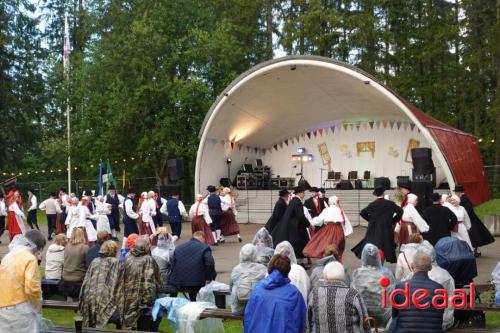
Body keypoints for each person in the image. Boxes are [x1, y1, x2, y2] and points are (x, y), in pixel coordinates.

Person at [244, 254, 306, 333]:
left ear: (269, 268)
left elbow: (248, 318)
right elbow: (301, 320)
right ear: (288, 270)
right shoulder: (294, 293)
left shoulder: (258, 289)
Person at [0, 230, 46, 333]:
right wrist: (37, 307)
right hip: (21, 309)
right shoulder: (30, 258)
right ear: (38, 247)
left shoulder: (8, 256)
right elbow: (32, 288)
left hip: (3, 308)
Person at [389, 251, 444, 333]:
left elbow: (394, 315)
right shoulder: (439, 290)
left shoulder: (400, 288)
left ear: (412, 266)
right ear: (430, 267)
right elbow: (439, 316)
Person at [309, 261, 370, 333]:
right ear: (343, 275)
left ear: (325, 275)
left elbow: (308, 318)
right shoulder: (353, 294)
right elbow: (365, 320)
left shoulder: (315, 293)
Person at [79, 240, 124, 328]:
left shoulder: (95, 261)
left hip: (89, 300)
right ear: (114, 250)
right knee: (122, 315)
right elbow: (121, 286)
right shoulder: (117, 263)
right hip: (107, 303)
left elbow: (86, 281)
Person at [352, 187, 403, 263]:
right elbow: (401, 211)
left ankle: (374, 264)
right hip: (386, 229)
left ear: (376, 195)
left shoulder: (372, 204)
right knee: (385, 247)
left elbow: (362, 212)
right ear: (383, 194)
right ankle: (380, 265)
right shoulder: (390, 204)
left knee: (373, 247)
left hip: (374, 229)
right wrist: (392, 221)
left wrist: (370, 220)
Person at [351, 243, 394, 329]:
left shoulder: (357, 274)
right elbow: (392, 296)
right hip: (383, 317)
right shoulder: (386, 275)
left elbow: (352, 294)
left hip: (362, 316)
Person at [122, 236, 161, 330]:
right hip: (142, 300)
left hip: (127, 297)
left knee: (131, 324)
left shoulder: (128, 256)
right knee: (145, 324)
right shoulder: (148, 259)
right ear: (147, 246)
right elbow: (154, 280)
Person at [169, 231, 217, 301]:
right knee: (194, 292)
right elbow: (210, 263)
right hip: (197, 282)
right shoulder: (205, 247)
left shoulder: (179, 247)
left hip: (179, 282)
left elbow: (173, 263)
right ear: (202, 237)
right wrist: (209, 278)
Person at [418, 241, 455, 330]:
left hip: (418, 323)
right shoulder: (445, 275)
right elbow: (450, 301)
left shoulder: (412, 276)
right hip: (441, 321)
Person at [304, 195, 353, 260]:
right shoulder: (340, 210)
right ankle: (337, 262)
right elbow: (345, 221)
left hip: (328, 229)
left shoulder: (327, 210)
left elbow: (319, 219)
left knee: (325, 245)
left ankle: (328, 261)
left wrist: (311, 222)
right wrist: (346, 233)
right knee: (337, 246)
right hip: (339, 230)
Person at [271, 186, 311, 261]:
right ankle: (299, 262)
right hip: (296, 227)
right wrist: (308, 224)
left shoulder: (293, 201)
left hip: (292, 226)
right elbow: (301, 216)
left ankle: (298, 260)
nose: (304, 195)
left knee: (296, 243)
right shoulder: (297, 202)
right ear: (300, 193)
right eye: (303, 193)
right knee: (298, 243)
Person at [455, 184, 495, 256]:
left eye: (456, 192)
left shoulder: (463, 198)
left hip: (470, 220)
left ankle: (474, 251)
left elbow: (469, 208)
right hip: (471, 219)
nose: (455, 194)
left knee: (473, 236)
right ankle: (475, 251)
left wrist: (462, 212)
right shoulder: (464, 197)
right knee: (474, 236)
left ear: (459, 192)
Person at [230, 244, 267, 314]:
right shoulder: (262, 268)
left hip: (238, 308)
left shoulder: (236, 269)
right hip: (256, 308)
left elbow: (230, 287)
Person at [61, 228, 89, 299]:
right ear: (82, 235)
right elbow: (88, 264)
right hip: (78, 277)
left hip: (65, 276)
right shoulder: (84, 247)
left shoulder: (67, 246)